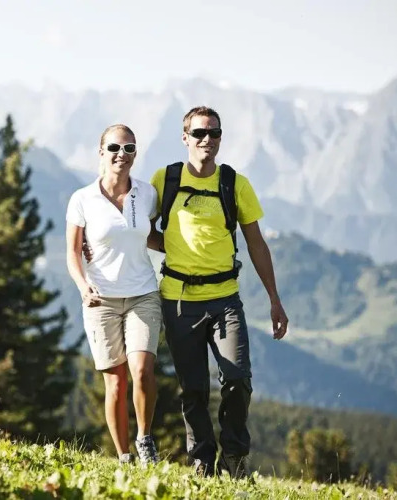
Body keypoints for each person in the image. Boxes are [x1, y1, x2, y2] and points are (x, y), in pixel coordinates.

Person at [148, 106, 288, 478]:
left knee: (238, 378)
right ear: (185, 138)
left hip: (225, 299)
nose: (206, 139)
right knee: (193, 388)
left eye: (214, 132)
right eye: (199, 133)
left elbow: (256, 244)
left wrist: (274, 299)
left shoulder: (234, 183)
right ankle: (202, 462)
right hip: (178, 300)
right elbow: (139, 228)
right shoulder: (165, 180)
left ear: (221, 138)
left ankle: (235, 458)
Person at [66, 124, 162, 465]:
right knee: (116, 384)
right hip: (101, 299)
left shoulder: (147, 194)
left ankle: (144, 439)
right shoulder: (82, 199)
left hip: (143, 293)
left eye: (129, 148)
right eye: (115, 148)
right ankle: (124, 456)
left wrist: (188, 250)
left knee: (142, 370)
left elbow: (150, 235)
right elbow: (73, 252)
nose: (122, 154)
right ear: (101, 152)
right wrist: (83, 286)